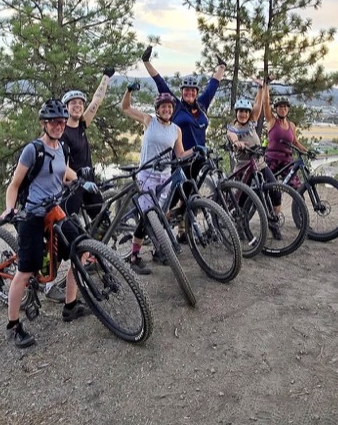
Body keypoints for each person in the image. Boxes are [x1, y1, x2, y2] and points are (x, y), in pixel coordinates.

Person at [0, 99, 91, 348]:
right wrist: (10, 208)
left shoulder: (62, 147)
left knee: (81, 249)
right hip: (33, 214)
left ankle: (70, 305)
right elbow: (14, 185)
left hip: (56, 210)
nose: (58, 126)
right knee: (26, 270)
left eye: (61, 122)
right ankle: (13, 326)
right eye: (53, 122)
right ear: (44, 124)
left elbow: (63, 172)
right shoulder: (33, 150)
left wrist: (81, 180)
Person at [141, 45, 224, 213]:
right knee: (171, 200)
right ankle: (158, 222)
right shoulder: (176, 106)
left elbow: (213, 85)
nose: (189, 93)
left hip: (197, 157)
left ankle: (182, 226)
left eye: (193, 91)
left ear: (196, 92)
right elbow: (160, 82)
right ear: (181, 92)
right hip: (179, 159)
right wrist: (146, 62)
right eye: (186, 90)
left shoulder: (202, 105)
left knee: (189, 198)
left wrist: (222, 67)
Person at [120, 84, 192, 274]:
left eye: (169, 107)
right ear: (157, 109)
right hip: (147, 175)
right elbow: (125, 108)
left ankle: (158, 250)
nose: (167, 109)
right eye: (163, 107)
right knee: (147, 217)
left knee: (160, 216)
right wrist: (129, 91)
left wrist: (196, 150)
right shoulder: (149, 121)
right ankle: (134, 255)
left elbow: (180, 153)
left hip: (165, 177)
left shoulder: (176, 130)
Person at [227, 76, 284, 238]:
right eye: (240, 111)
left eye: (245, 111)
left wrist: (261, 87)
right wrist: (237, 143)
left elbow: (258, 105)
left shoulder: (252, 121)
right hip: (244, 167)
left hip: (259, 164)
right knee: (243, 199)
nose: (243, 114)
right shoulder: (232, 128)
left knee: (275, 190)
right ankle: (239, 225)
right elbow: (232, 137)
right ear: (236, 113)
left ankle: (273, 221)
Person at [60, 67, 114, 220]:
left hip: (88, 180)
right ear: (66, 107)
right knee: (69, 226)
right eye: (73, 103)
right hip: (73, 186)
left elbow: (97, 100)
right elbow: (62, 167)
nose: (77, 105)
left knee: (103, 222)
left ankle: (96, 237)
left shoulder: (82, 124)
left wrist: (106, 77)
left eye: (80, 103)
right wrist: (80, 182)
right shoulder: (62, 133)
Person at [262, 95, 309, 217]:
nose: (283, 109)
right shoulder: (272, 121)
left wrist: (307, 151)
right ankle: (271, 215)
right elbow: (265, 104)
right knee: (270, 189)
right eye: (280, 107)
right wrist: (265, 86)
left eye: (285, 107)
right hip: (271, 160)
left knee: (298, 189)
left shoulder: (291, 125)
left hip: (286, 161)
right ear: (276, 109)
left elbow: (295, 142)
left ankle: (301, 218)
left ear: (288, 109)